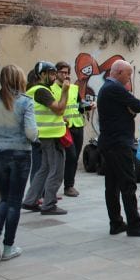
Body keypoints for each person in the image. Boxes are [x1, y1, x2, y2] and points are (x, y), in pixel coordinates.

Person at [97, 60, 140, 237]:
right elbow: (137, 105)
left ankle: (116, 222)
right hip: (118, 144)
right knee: (128, 184)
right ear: (119, 72)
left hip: (109, 142)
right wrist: (130, 109)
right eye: (128, 74)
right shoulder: (114, 89)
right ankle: (134, 224)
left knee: (112, 185)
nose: (130, 78)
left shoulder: (106, 88)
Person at [0, 65, 38, 261]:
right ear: (19, 80)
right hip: (20, 154)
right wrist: (36, 136)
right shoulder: (25, 102)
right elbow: (31, 132)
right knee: (14, 202)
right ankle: (8, 246)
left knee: (4, 199)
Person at [21, 61, 69, 215]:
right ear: (42, 75)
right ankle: (49, 204)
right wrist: (65, 91)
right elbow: (59, 109)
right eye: (52, 73)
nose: (55, 77)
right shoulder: (42, 91)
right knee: (56, 171)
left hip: (43, 135)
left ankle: (30, 200)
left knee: (44, 169)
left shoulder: (34, 90)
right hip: (51, 136)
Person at [52, 61, 94, 198]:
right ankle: (57, 187)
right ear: (56, 73)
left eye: (67, 72)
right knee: (68, 156)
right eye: (62, 72)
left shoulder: (74, 88)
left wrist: (88, 106)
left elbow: (78, 104)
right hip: (63, 127)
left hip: (77, 124)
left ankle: (69, 185)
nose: (65, 75)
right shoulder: (52, 89)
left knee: (74, 157)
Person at [26, 69, 42, 182]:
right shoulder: (36, 92)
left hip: (41, 132)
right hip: (38, 133)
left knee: (43, 165)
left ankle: (44, 192)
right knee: (38, 165)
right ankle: (36, 194)